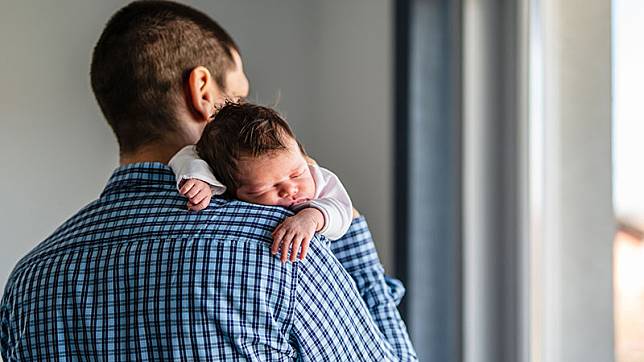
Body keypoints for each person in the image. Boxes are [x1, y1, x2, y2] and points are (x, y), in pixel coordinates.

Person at [0, 1, 417, 361]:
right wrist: (349, 234)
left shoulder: (29, 281)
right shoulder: (282, 249)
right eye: (238, 94)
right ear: (201, 89)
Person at [170, 102, 353, 263]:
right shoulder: (220, 175)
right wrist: (202, 178)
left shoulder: (318, 178)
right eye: (264, 188)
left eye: (297, 174)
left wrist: (312, 217)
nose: (289, 189)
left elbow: (342, 211)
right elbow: (186, 154)